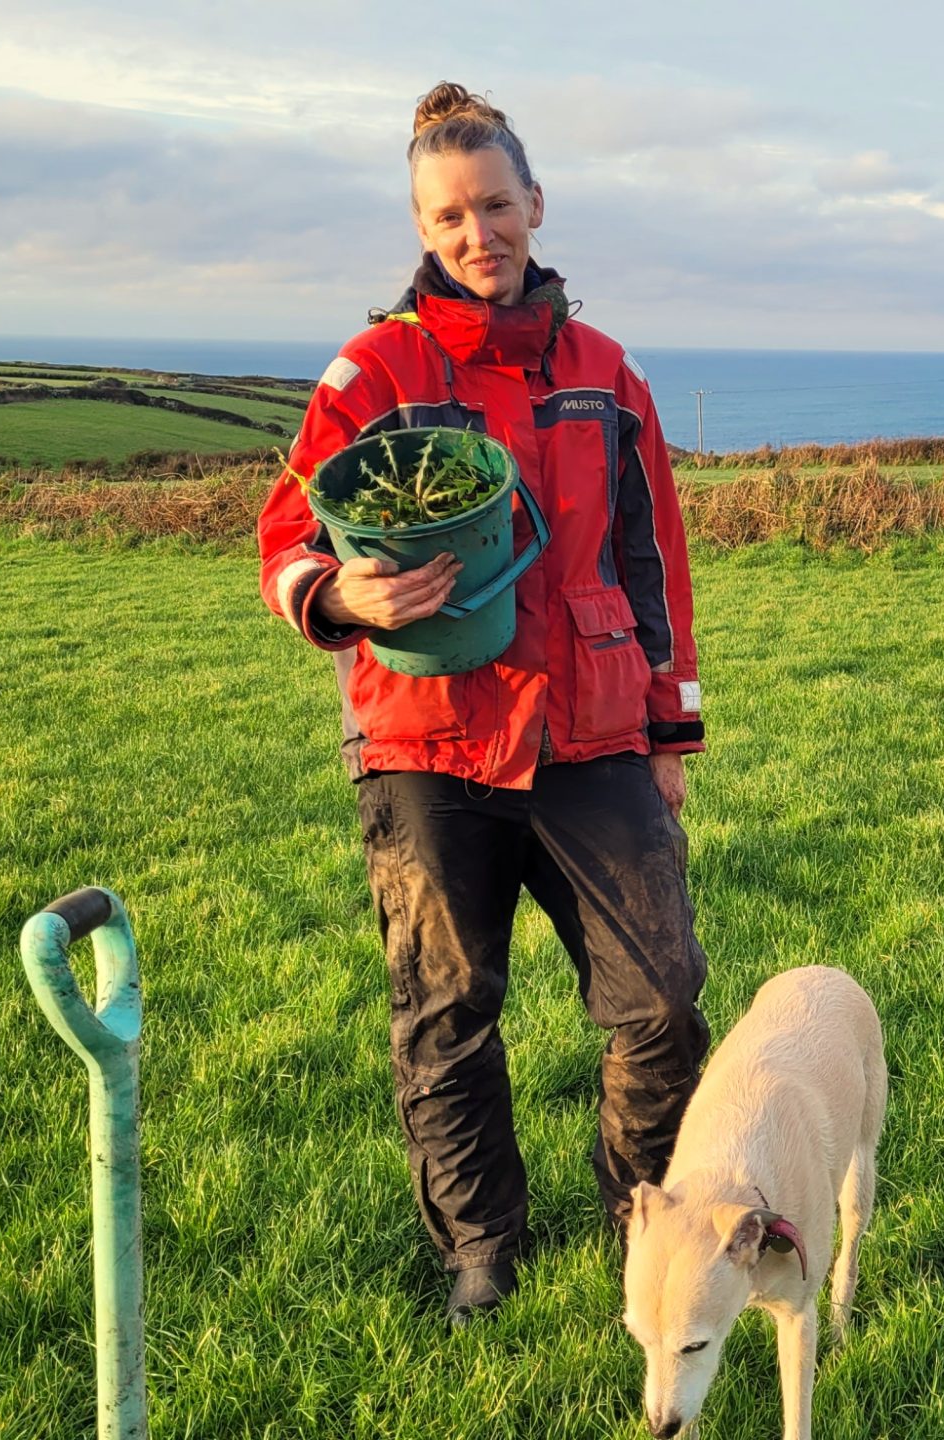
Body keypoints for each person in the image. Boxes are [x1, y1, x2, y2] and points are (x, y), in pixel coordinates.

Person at [255, 82, 710, 1327]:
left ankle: (641, 1215)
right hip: (425, 739)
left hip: (593, 729)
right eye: (449, 215)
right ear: (421, 224)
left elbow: (650, 554)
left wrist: (672, 729)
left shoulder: (608, 373)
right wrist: (343, 597)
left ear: (536, 205)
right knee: (448, 1013)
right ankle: (480, 1251)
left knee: (661, 999)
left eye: (496, 206)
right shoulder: (375, 368)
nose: (477, 235)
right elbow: (287, 538)